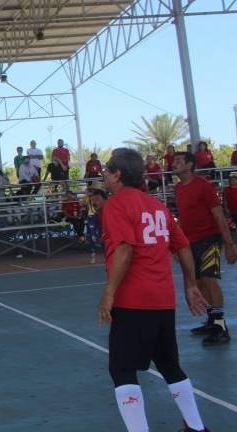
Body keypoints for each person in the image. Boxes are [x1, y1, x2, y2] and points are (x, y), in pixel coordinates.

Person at [97, 148, 211, 432]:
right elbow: (182, 246)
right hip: (163, 300)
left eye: (107, 171)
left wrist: (109, 292)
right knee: (169, 365)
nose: (104, 176)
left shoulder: (116, 204)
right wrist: (190, 284)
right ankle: (196, 427)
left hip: (133, 300)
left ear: (117, 175)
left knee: (122, 370)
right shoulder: (156, 206)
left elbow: (124, 248)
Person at [172, 151, 237, 345]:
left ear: (190, 165)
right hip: (190, 242)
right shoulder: (177, 189)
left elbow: (219, 216)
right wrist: (178, 244)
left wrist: (229, 244)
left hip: (209, 239)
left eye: (178, 161)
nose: (173, 164)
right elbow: (183, 218)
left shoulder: (204, 186)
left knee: (209, 281)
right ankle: (211, 321)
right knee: (198, 284)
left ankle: (220, 328)